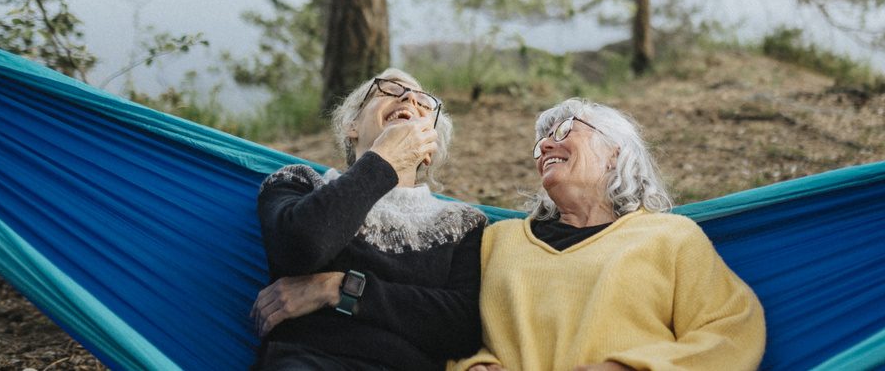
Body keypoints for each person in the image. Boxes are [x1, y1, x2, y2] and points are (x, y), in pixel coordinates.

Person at [455, 98, 765, 371]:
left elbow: (734, 328)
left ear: (614, 153)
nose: (546, 146)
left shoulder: (670, 237)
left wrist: (631, 369)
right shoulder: (497, 241)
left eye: (563, 131)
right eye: (541, 143)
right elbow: (442, 328)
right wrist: (473, 365)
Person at [251, 68, 486, 371]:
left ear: (430, 147)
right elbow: (300, 247)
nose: (409, 97)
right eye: (387, 90)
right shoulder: (298, 184)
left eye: (424, 103)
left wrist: (339, 288)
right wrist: (385, 160)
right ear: (352, 126)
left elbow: (463, 328)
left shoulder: (462, 224)